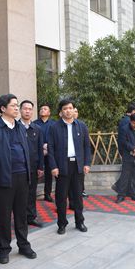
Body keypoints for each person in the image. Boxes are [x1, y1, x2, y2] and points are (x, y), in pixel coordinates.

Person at [0, 94, 37, 264]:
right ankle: (4, 249)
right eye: (14, 106)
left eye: (17, 106)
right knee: (3, 216)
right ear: (3, 108)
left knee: (21, 214)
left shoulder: (20, 127)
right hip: (4, 178)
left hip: (23, 176)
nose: (17, 108)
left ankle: (23, 245)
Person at [47, 99, 91, 235]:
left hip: (77, 165)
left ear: (73, 110)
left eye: (70, 108)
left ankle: (80, 221)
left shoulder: (81, 126)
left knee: (78, 196)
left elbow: (86, 146)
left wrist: (87, 163)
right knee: (61, 197)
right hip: (62, 166)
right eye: (65, 108)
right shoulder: (54, 127)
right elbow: (51, 148)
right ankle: (62, 223)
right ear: (61, 112)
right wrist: (53, 166)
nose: (68, 110)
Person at [113, 102, 135, 194]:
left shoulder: (128, 120)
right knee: (128, 173)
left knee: (134, 172)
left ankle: (133, 190)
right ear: (133, 111)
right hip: (129, 152)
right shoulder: (126, 121)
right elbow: (123, 140)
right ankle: (121, 189)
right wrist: (133, 149)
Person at [19, 100, 44, 228]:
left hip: (33, 168)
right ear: (20, 110)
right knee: (20, 195)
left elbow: (40, 149)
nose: (27, 111)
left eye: (30, 109)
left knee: (31, 193)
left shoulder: (37, 129)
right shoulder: (15, 127)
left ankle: (31, 217)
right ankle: (20, 219)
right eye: (25, 108)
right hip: (20, 168)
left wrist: (41, 166)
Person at [33, 103, 55, 202]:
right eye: (41, 108)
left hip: (49, 152)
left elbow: (55, 138)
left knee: (49, 174)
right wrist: (41, 147)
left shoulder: (53, 124)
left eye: (45, 109)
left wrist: (48, 147)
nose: (42, 110)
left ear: (49, 113)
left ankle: (47, 194)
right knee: (36, 172)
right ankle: (32, 194)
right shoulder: (34, 123)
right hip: (38, 151)